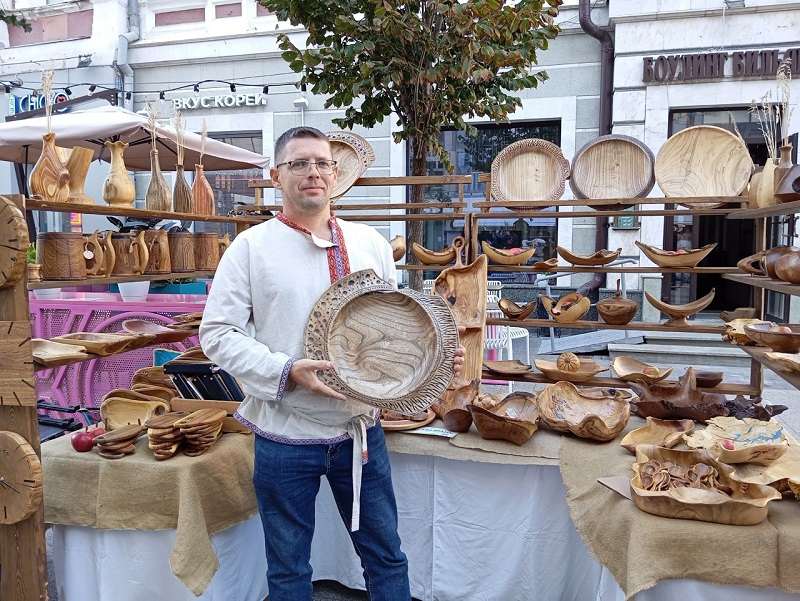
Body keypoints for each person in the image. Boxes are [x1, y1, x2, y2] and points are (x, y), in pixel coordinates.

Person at [199, 126, 464, 601]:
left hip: (360, 434)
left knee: (386, 556)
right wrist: (286, 371)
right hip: (285, 433)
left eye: (322, 163)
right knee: (288, 569)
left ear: (336, 173)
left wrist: (434, 359)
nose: (313, 173)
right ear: (276, 175)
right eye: (299, 163)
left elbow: (394, 326)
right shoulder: (250, 248)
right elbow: (217, 334)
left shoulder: (371, 244)